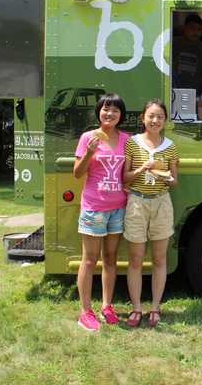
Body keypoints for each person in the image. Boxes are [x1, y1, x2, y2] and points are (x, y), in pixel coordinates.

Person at [73, 93, 129, 331]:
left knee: (110, 259)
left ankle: (107, 306)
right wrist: (88, 153)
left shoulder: (127, 140)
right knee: (89, 259)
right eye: (106, 109)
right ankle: (85, 312)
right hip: (94, 207)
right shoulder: (88, 137)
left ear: (120, 115)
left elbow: (128, 173)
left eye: (115, 110)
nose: (110, 114)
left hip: (117, 207)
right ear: (99, 111)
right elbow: (77, 173)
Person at [123, 99, 179, 327]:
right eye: (151, 116)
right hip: (137, 202)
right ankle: (136, 308)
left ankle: (155, 307)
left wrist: (166, 175)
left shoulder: (171, 146)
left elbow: (175, 181)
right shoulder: (132, 143)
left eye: (160, 117)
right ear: (142, 119)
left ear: (165, 121)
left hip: (161, 203)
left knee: (159, 258)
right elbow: (125, 178)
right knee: (135, 259)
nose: (155, 120)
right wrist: (142, 169)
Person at [172, 13, 202, 104]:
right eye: (192, 28)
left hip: (196, 97)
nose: (196, 32)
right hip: (172, 94)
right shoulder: (172, 44)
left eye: (199, 29)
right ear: (184, 28)